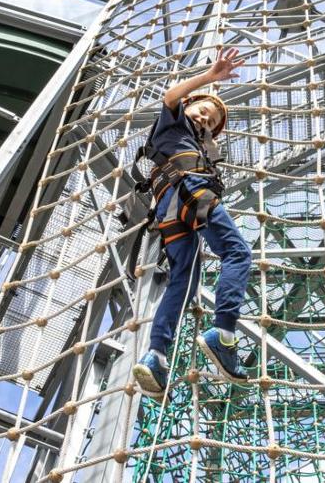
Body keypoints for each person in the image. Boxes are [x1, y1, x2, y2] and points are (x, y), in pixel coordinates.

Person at [132, 48, 252, 403]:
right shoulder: (173, 122)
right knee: (237, 253)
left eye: (212, 121)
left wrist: (209, 145)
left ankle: (155, 356)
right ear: (187, 107)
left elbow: (201, 142)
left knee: (184, 283)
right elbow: (170, 96)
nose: (205, 118)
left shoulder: (195, 145)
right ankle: (224, 335)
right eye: (203, 110)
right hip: (190, 197)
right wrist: (210, 78)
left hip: (170, 213)